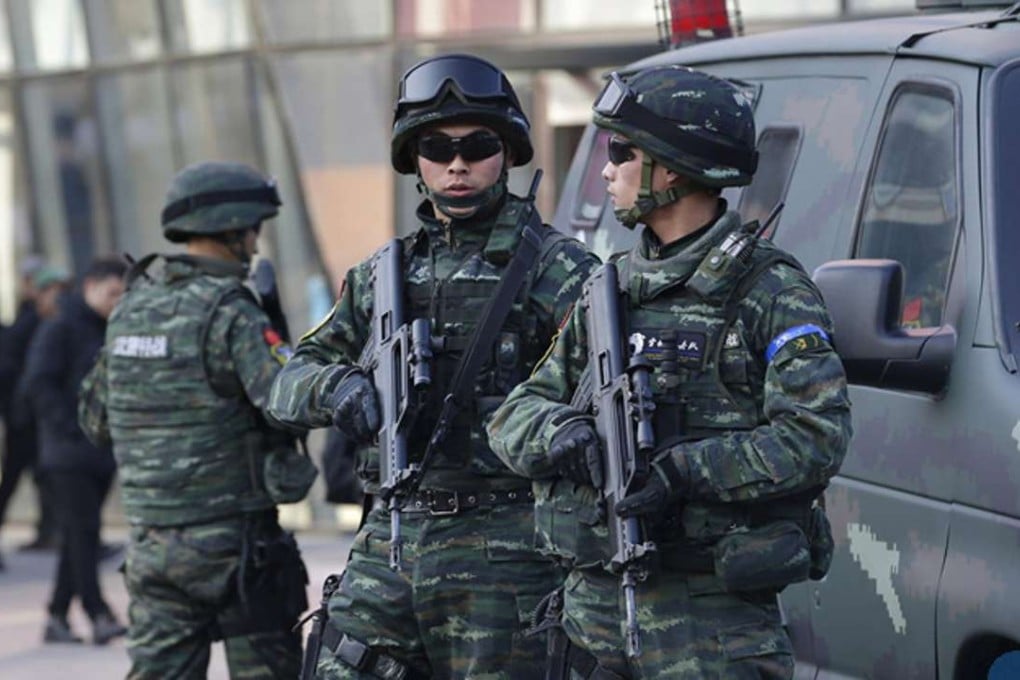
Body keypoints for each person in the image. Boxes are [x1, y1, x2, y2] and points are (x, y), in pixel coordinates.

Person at [487, 65, 853, 679]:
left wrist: (681, 471)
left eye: (620, 151)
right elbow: (512, 417)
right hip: (595, 624)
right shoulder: (608, 293)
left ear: (672, 168)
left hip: (711, 628)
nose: (605, 169)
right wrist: (561, 433)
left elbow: (816, 436)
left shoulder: (770, 292)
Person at [268, 53, 599, 679]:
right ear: (413, 160)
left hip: (509, 547)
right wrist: (337, 386)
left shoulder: (560, 272)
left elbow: (596, 400)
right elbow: (286, 383)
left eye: (477, 145)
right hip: (392, 536)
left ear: (507, 152)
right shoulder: (380, 277)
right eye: (436, 147)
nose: (456, 163)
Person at [78, 161, 317, 679]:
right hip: (236, 552)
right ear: (233, 227)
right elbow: (288, 405)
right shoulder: (233, 312)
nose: (255, 243)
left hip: (152, 546)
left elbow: (94, 420)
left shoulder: (131, 308)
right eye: (254, 229)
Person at [22, 256, 128, 644]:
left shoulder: (112, 329)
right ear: (90, 287)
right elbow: (39, 383)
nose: (117, 301)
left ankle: (55, 616)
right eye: (111, 293)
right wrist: (70, 427)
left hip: (100, 452)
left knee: (77, 536)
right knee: (85, 533)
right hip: (67, 454)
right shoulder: (61, 327)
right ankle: (97, 612)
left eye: (123, 294)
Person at [0, 260, 68, 568]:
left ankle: (56, 534)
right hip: (24, 421)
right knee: (17, 479)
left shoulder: (52, 323)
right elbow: (14, 373)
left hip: (34, 420)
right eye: (53, 291)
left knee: (48, 479)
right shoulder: (27, 326)